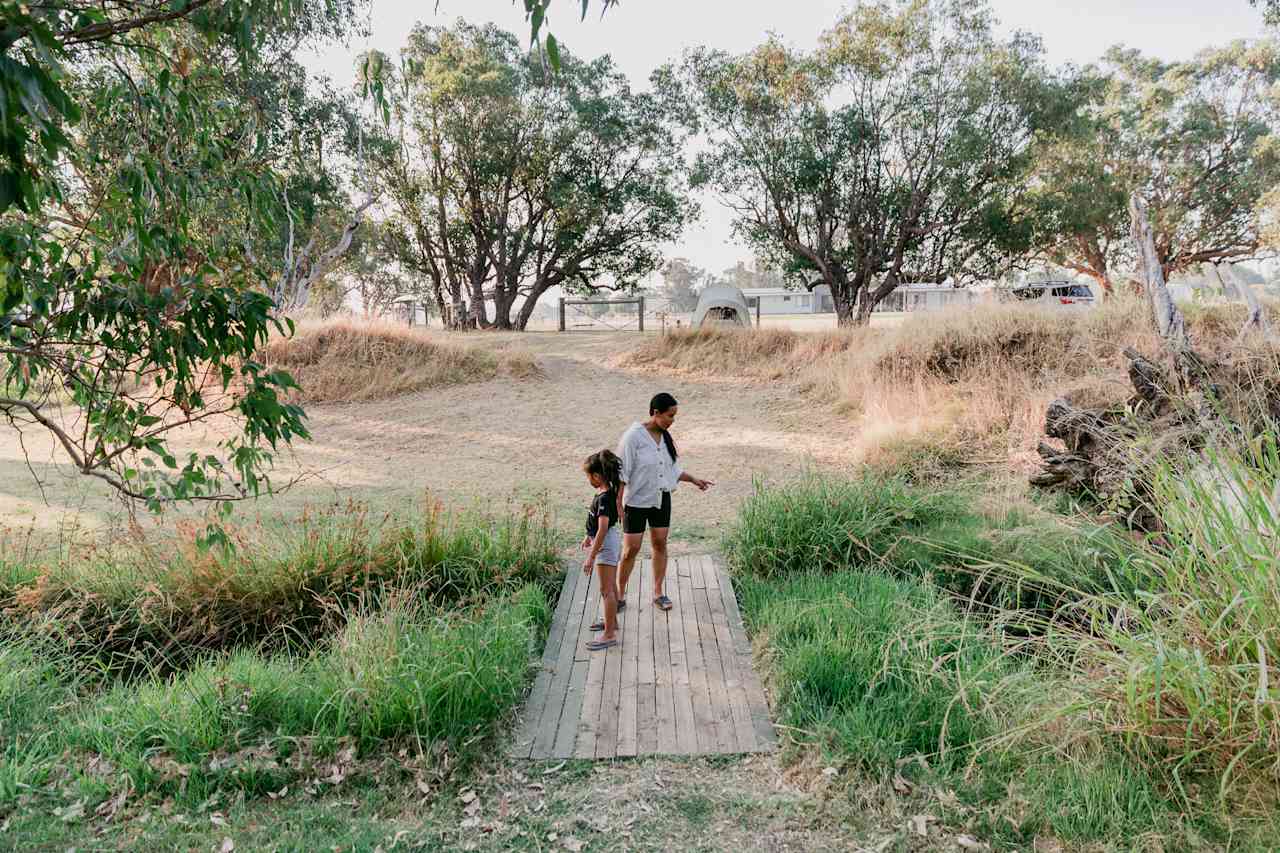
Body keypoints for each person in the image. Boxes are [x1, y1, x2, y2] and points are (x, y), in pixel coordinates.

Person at [616, 392, 714, 612]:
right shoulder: (633, 437)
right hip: (637, 502)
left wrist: (694, 480)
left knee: (660, 543)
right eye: (670, 416)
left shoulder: (665, 437)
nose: (672, 421)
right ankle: (619, 594)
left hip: (661, 498)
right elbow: (621, 472)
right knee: (631, 549)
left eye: (674, 416)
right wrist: (618, 504)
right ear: (655, 412)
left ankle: (658, 592)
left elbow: (672, 469)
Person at [581, 449, 623, 651]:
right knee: (611, 587)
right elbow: (596, 524)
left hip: (606, 544)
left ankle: (608, 635)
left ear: (596, 476)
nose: (588, 479)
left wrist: (590, 557)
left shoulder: (605, 498)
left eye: (588, 476)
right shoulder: (605, 492)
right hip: (608, 541)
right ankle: (611, 622)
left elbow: (603, 528)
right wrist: (588, 536)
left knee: (606, 591)